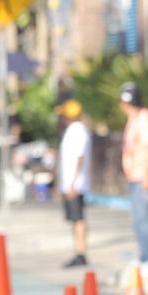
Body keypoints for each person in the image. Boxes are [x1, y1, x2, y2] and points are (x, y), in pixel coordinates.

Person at [120, 82, 148, 272]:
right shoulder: (133, 119)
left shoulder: (145, 117)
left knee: (146, 217)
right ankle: (145, 255)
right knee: (139, 218)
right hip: (134, 177)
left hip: (143, 176)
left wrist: (146, 175)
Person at [57, 99, 92, 267]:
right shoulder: (74, 130)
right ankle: (78, 250)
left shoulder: (78, 131)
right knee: (74, 218)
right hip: (71, 182)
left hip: (75, 184)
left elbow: (79, 157)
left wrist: (72, 183)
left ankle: (81, 251)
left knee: (78, 218)